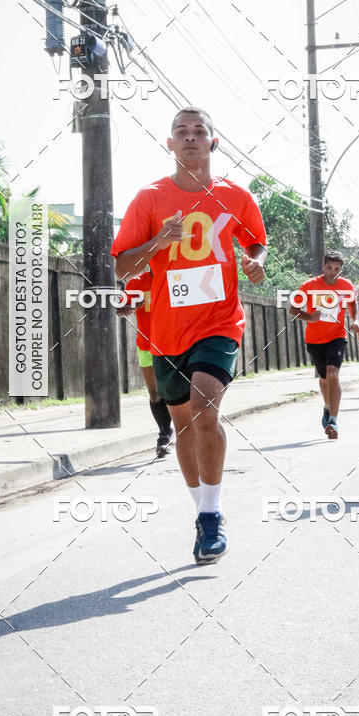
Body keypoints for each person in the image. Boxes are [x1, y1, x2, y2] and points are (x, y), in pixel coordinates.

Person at [112, 106, 267, 565]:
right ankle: (201, 512)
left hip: (220, 322)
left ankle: (214, 513)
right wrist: (159, 242)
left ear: (214, 142)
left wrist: (255, 259)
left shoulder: (235, 196)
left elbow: (255, 239)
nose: (191, 137)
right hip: (166, 330)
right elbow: (123, 265)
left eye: (200, 131)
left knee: (204, 406)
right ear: (170, 143)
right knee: (182, 423)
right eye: (181, 132)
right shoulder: (149, 199)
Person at [291, 251, 359, 439]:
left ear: (341, 269)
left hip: (337, 336)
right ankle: (327, 406)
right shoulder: (309, 286)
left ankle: (333, 421)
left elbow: (353, 305)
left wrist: (356, 321)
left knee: (332, 374)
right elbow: (293, 309)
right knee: (323, 378)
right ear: (323, 267)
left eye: (337, 269)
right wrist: (309, 317)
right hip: (314, 339)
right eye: (329, 267)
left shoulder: (346, 285)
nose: (333, 272)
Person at [117, 270, 173, 458]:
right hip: (146, 344)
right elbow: (120, 311)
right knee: (154, 393)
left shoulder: (174, 276)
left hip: (173, 343)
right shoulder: (137, 282)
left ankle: (177, 432)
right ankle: (164, 434)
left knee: (173, 390)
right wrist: (131, 306)